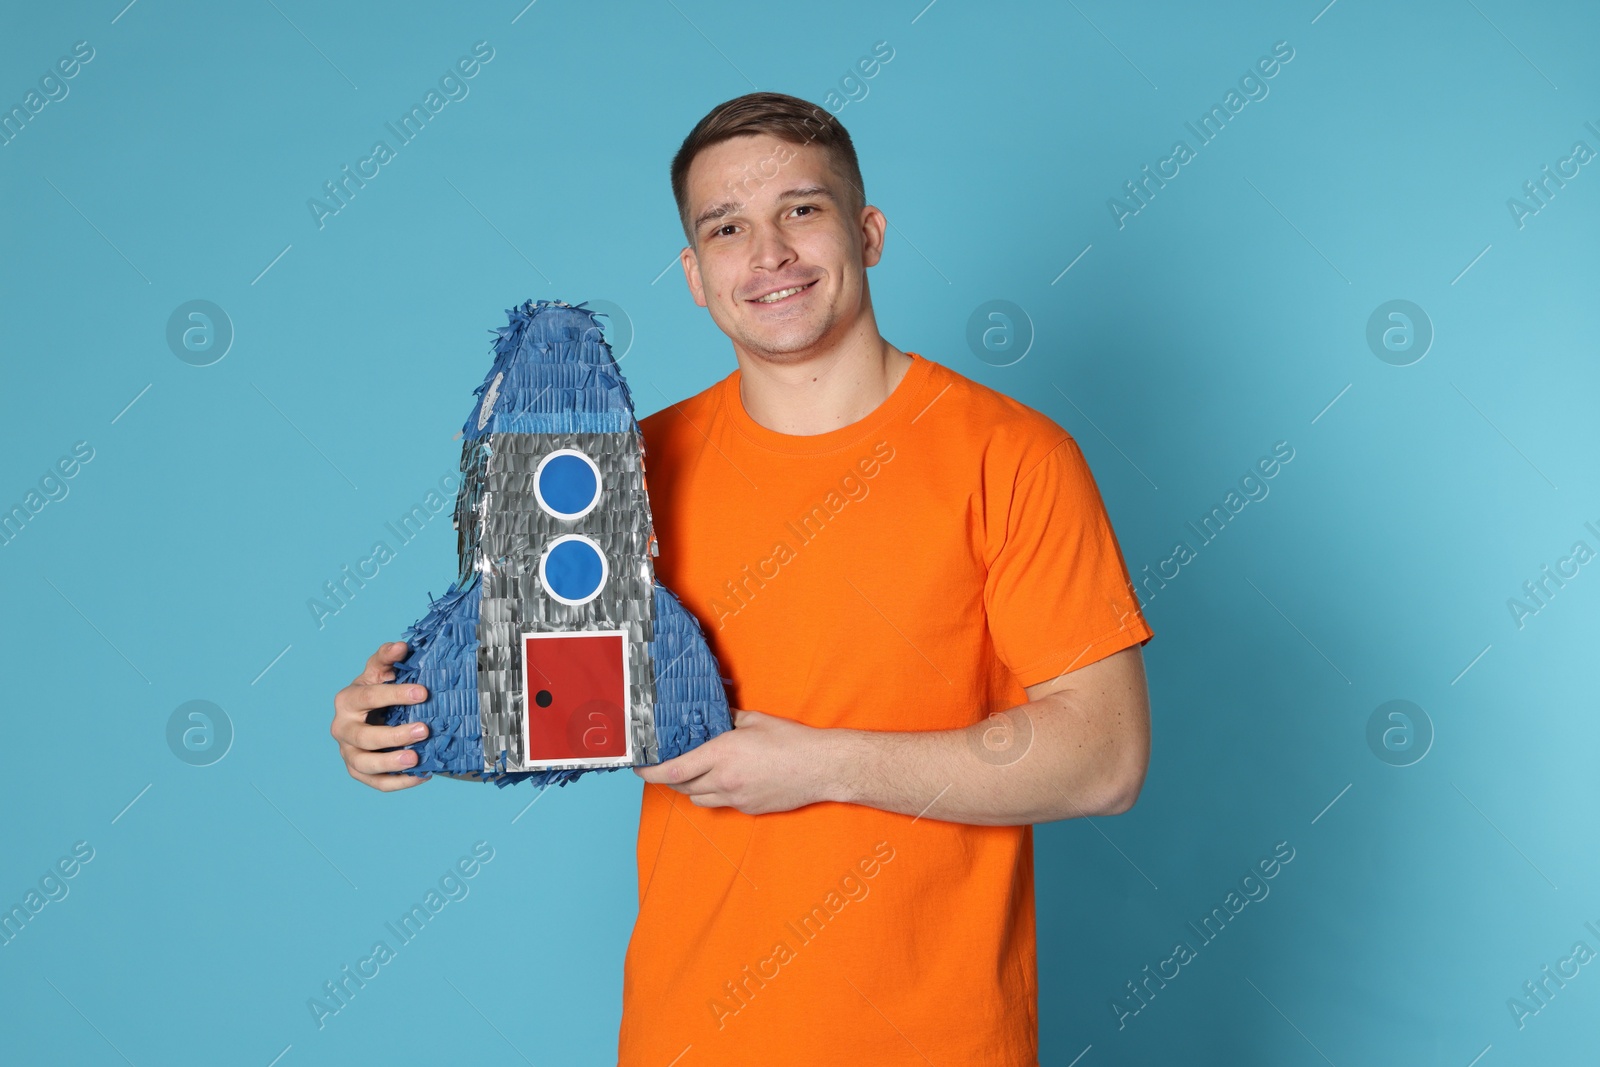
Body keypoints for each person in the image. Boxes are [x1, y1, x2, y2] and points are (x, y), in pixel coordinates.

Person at [331, 91, 1154, 1066]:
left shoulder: (1010, 456)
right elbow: (560, 692)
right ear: (694, 273)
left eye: (801, 210)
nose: (767, 252)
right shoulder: (619, 474)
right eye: (727, 227)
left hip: (939, 1041)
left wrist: (821, 761)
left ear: (868, 230)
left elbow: (1104, 759)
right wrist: (395, 718)